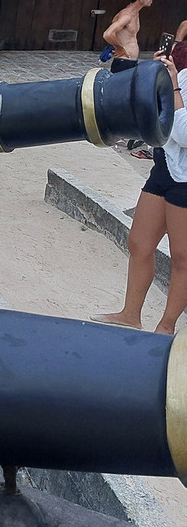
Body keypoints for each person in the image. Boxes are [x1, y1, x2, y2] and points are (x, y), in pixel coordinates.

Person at [93, 50, 187, 334]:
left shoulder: (179, 79)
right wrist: (154, 77)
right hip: (165, 165)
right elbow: (159, 115)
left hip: (185, 179)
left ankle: (166, 327)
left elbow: (182, 133)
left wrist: (171, 85)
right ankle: (130, 314)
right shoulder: (183, 75)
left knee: (181, 256)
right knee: (139, 243)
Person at [101, 0, 155, 73]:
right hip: (123, 62)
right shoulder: (127, 16)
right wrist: (119, 48)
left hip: (130, 62)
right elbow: (107, 34)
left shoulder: (136, 13)